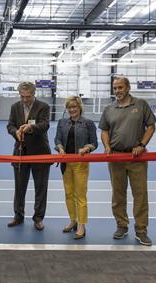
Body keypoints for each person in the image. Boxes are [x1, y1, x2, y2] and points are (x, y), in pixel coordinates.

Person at [99, 76, 156, 246]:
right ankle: (121, 226)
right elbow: (104, 131)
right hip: (116, 157)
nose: (117, 91)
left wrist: (141, 144)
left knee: (140, 194)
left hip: (137, 158)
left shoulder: (140, 104)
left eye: (120, 87)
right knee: (118, 194)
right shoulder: (109, 108)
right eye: (115, 88)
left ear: (128, 88)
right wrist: (107, 146)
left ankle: (141, 230)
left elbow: (151, 126)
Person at [6, 81, 51, 230]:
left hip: (40, 153)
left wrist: (31, 127)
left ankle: (38, 218)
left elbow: (45, 125)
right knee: (19, 187)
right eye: (22, 96)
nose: (25, 100)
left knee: (40, 188)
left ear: (34, 94)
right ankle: (18, 216)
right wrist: (16, 132)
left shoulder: (43, 107)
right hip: (20, 153)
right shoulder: (15, 107)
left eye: (28, 96)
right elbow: (10, 125)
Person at [55, 96, 98, 239]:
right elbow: (58, 139)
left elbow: (94, 143)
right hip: (65, 163)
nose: (72, 109)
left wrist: (86, 148)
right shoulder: (62, 123)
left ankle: (81, 225)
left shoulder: (88, 124)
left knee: (80, 195)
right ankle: (73, 220)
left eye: (74, 106)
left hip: (81, 163)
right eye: (69, 107)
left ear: (80, 107)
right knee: (68, 194)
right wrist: (60, 148)